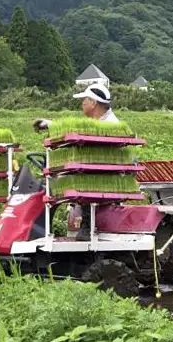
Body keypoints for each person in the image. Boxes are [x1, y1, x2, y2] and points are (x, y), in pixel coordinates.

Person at [31, 84, 121, 238]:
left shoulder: (109, 124)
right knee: (48, 186)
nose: (82, 104)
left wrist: (53, 125)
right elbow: (80, 131)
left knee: (50, 188)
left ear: (93, 103)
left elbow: (83, 133)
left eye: (84, 100)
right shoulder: (97, 122)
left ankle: (40, 233)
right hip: (91, 173)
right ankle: (41, 232)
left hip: (98, 177)